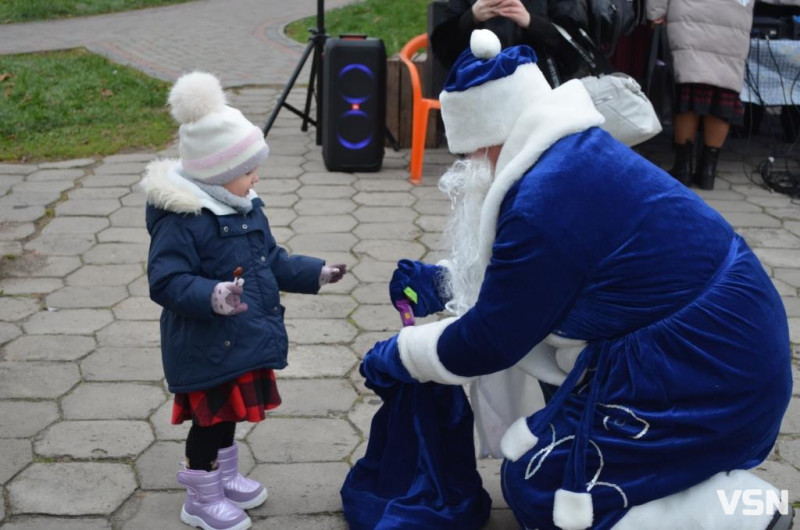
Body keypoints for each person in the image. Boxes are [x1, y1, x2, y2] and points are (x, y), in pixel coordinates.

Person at [361, 30, 793, 530]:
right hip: (714, 355)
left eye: (467, 157)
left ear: (488, 139)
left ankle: (745, 510)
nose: (462, 172)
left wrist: (403, 354)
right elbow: (542, 281)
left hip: (707, 375)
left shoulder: (543, 202)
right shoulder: (569, 156)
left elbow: (491, 339)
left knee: (542, 488)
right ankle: (683, 476)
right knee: (545, 461)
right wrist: (441, 282)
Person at [142, 71, 346, 530]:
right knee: (210, 420)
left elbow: (270, 260)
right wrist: (211, 295)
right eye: (247, 170)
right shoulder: (182, 219)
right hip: (205, 341)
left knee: (230, 412)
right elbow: (166, 280)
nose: (255, 177)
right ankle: (199, 493)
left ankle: (225, 476)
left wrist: (315, 272)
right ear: (216, 173)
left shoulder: (245, 205)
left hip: (240, 337)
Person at [647, 0, 755, 190]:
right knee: (724, 89)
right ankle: (708, 172)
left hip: (690, 12)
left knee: (689, 85)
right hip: (734, 14)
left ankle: (683, 168)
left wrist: (656, 11)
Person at [430, 0, 586, 88]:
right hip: (481, 92)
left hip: (541, 90)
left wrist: (530, 22)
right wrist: (472, 17)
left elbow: (574, 52)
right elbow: (443, 51)